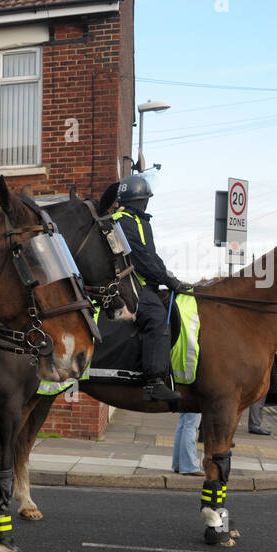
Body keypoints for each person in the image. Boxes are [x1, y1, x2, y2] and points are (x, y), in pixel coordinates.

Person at [109, 173, 185, 406]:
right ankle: (153, 382)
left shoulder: (138, 221)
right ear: (140, 199)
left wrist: (169, 277)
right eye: (146, 198)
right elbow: (140, 259)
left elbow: (152, 256)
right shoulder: (125, 221)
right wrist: (166, 280)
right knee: (156, 316)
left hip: (143, 283)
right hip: (130, 286)